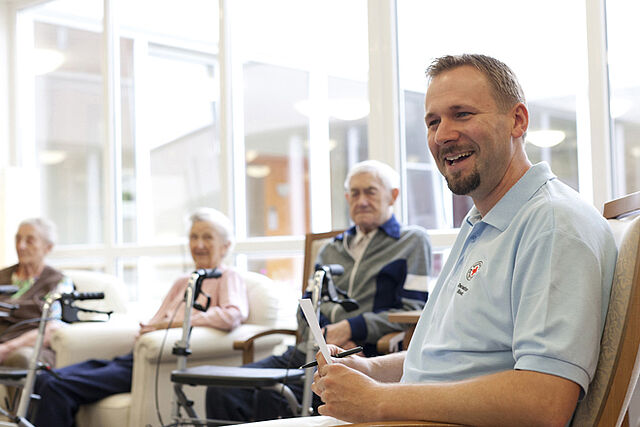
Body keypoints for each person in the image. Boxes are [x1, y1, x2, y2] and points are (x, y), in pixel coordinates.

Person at [309, 54, 618, 427]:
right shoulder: (482, 221)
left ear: (518, 121)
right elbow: (450, 360)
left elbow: (544, 401)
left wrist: (379, 400)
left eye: (462, 114)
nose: (442, 135)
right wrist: (370, 370)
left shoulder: (553, 224)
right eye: (433, 122)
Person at [205, 159, 433, 422]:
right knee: (223, 389)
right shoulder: (330, 249)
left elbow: (413, 309)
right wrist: (326, 339)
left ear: (393, 196)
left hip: (362, 356)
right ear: (347, 198)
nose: (361, 201)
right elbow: (306, 308)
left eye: (370, 192)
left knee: (270, 398)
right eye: (354, 193)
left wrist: (352, 329)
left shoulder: (411, 241)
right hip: (310, 351)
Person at [32, 208, 248, 427]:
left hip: (154, 362)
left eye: (207, 237)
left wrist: (174, 324)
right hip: (134, 357)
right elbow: (155, 321)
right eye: (194, 237)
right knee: (43, 379)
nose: (199, 244)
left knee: (55, 386)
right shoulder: (184, 281)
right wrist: (152, 327)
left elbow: (232, 315)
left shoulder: (228, 276)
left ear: (226, 245)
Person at [0, 218, 73, 368]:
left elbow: (53, 328)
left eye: (30, 241)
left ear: (48, 248)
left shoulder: (58, 282)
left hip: (29, 346)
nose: (21, 246)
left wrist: (6, 349)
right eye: (18, 239)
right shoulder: (2, 276)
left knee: (22, 358)